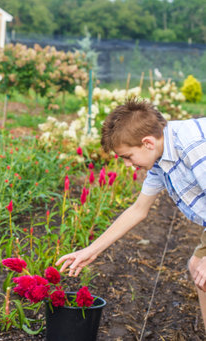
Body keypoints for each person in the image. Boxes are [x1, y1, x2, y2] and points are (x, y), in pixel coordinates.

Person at [56, 99, 206, 329]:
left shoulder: (193, 145)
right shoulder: (159, 157)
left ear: (146, 142)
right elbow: (138, 209)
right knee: (198, 266)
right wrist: (90, 251)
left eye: (127, 156)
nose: (127, 165)